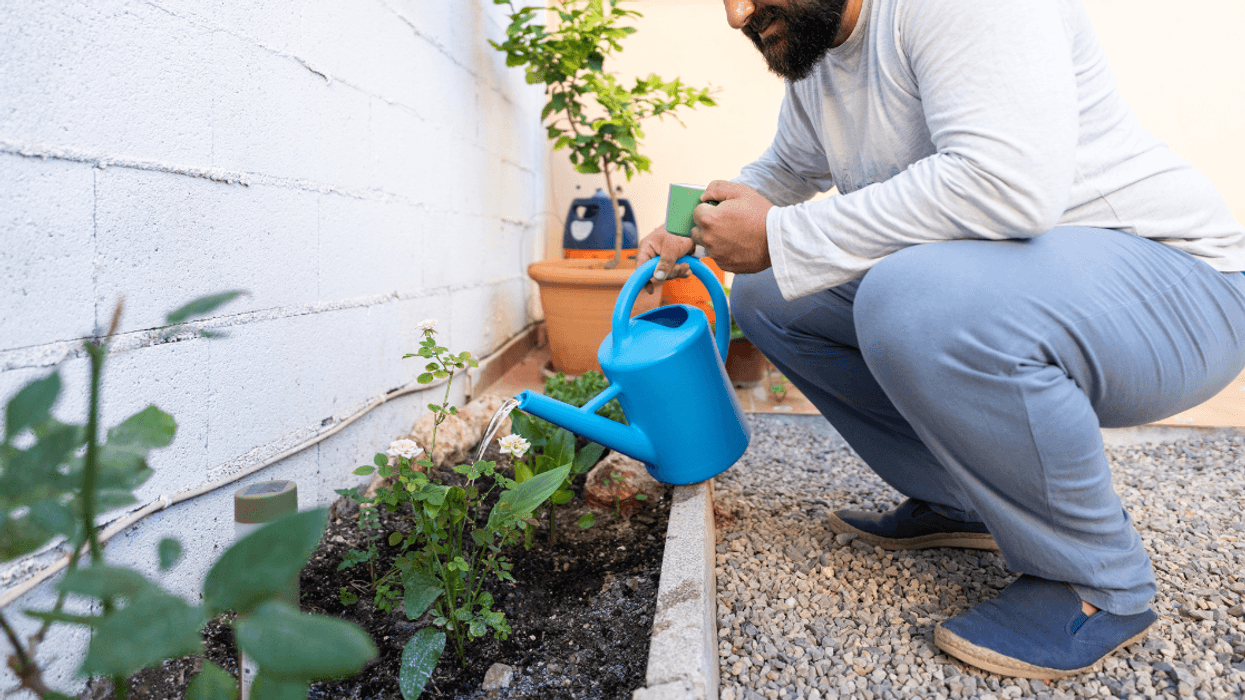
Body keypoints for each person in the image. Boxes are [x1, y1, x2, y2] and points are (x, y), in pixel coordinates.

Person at [637, 0, 1245, 681]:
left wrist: (781, 235)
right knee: (768, 293)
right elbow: (785, 168)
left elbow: (1005, 184)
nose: (735, 14)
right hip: (1029, 282)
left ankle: (1095, 582)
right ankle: (962, 500)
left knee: (911, 298)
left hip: (1179, 288)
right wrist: (702, 222)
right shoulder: (821, 48)